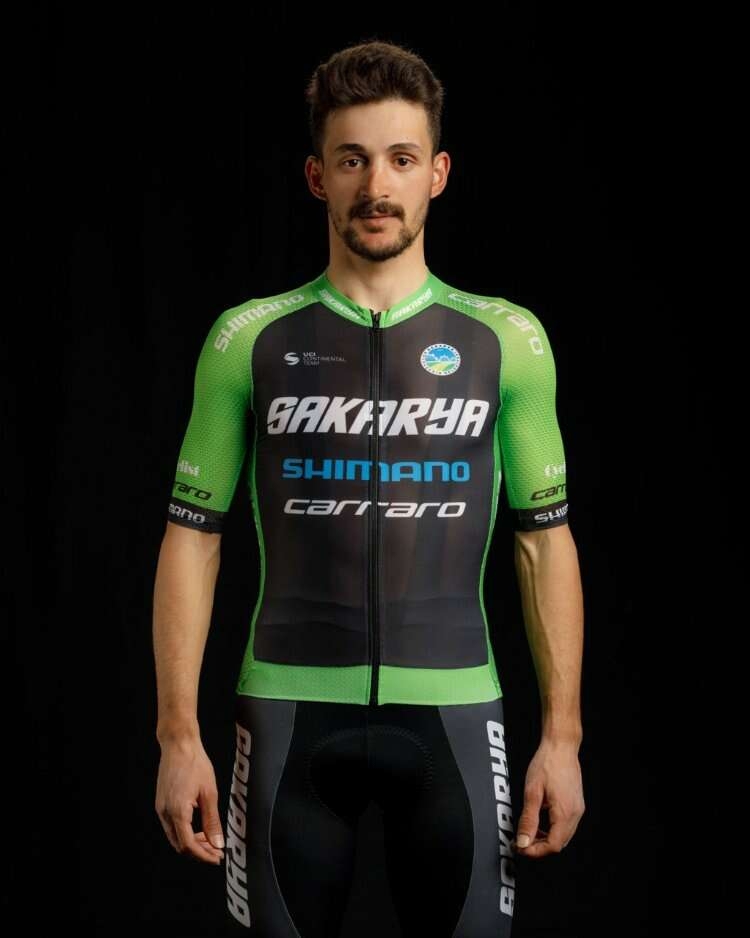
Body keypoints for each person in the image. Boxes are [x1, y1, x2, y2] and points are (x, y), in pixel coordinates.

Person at [153, 38, 585, 938]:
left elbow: (544, 543)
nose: (376, 185)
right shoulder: (248, 339)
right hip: (286, 716)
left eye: (400, 159)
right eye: (352, 160)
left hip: (457, 718)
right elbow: (193, 538)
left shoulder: (507, 340)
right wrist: (178, 737)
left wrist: (563, 739)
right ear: (318, 177)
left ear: (438, 174)